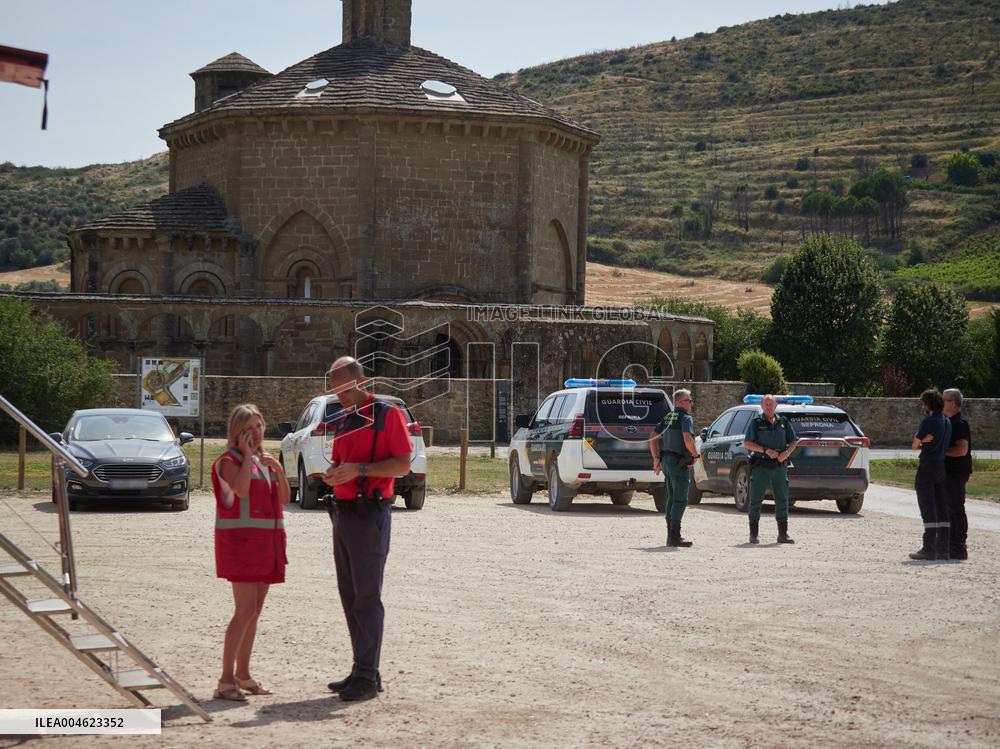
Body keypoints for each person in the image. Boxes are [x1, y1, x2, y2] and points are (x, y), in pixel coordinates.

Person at [323, 357, 412, 702]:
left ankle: (367, 674)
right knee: (349, 595)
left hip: (369, 513)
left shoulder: (388, 415)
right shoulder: (344, 420)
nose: (340, 394)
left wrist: (358, 470)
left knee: (367, 596)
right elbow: (343, 462)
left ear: (362, 381)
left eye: (345, 387)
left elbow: (403, 464)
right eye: (335, 388)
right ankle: (362, 668)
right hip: (342, 514)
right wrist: (334, 472)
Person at [211, 404, 290, 701]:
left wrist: (279, 469)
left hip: (267, 545)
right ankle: (225, 680)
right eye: (248, 428)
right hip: (241, 545)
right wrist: (247, 457)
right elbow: (241, 491)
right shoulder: (229, 460)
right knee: (244, 610)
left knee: (254, 612)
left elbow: (283, 498)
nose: (255, 433)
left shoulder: (264, 461)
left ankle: (243, 675)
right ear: (236, 431)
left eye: (258, 426)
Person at [743, 394, 799, 545]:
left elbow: (794, 441)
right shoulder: (756, 422)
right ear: (761, 406)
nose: (769, 407)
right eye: (766, 404)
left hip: (779, 467)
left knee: (782, 499)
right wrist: (765, 450)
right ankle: (753, 535)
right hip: (761, 465)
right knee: (755, 500)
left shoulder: (783, 422)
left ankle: (783, 535)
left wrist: (786, 453)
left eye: (771, 404)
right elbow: (747, 443)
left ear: (776, 406)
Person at [651, 389, 698, 547]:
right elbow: (687, 439)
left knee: (671, 497)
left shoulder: (668, 417)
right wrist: (695, 455)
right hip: (679, 463)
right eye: (688, 400)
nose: (691, 403)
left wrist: (656, 458)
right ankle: (674, 537)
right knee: (680, 499)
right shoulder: (685, 418)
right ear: (679, 402)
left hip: (666, 462)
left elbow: (652, 437)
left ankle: (670, 536)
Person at [910, 388, 952, 561]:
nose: (923, 407)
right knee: (941, 507)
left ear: (928, 404)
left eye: (923, 403)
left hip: (927, 466)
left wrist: (921, 443)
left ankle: (929, 548)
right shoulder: (947, 422)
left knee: (927, 506)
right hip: (941, 467)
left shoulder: (928, 421)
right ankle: (944, 549)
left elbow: (914, 445)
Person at [942, 388, 972, 560]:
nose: (941, 403)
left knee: (955, 509)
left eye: (944, 400)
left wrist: (941, 452)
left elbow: (962, 450)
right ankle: (948, 544)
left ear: (953, 403)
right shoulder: (947, 423)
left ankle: (959, 546)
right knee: (947, 509)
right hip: (946, 472)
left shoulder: (959, 424)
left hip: (955, 473)